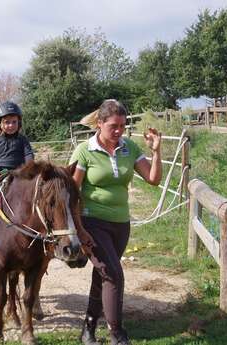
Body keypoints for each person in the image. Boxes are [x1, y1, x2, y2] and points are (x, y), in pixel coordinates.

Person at [70, 99, 162, 345]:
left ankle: (88, 329)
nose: (119, 131)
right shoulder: (84, 150)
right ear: (99, 124)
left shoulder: (129, 148)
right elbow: (71, 194)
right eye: (114, 126)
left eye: (122, 125)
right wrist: (79, 230)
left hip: (121, 224)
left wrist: (155, 151)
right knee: (113, 274)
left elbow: (153, 179)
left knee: (103, 275)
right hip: (92, 221)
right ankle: (117, 334)